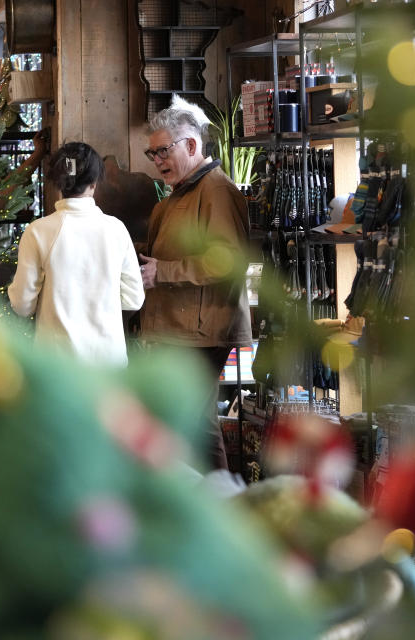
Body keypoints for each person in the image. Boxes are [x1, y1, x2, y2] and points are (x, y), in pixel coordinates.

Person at [138, 95, 252, 470]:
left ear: (191, 144)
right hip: (181, 328)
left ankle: (221, 506)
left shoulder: (215, 191)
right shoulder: (179, 194)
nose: (157, 161)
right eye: (151, 154)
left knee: (196, 425)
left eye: (162, 151)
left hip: (203, 329)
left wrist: (163, 272)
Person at [8, 142, 145, 366]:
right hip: (109, 363)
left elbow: (22, 305)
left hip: (57, 367)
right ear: (95, 182)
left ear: (58, 182)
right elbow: (133, 299)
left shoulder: (38, 231)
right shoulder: (116, 229)